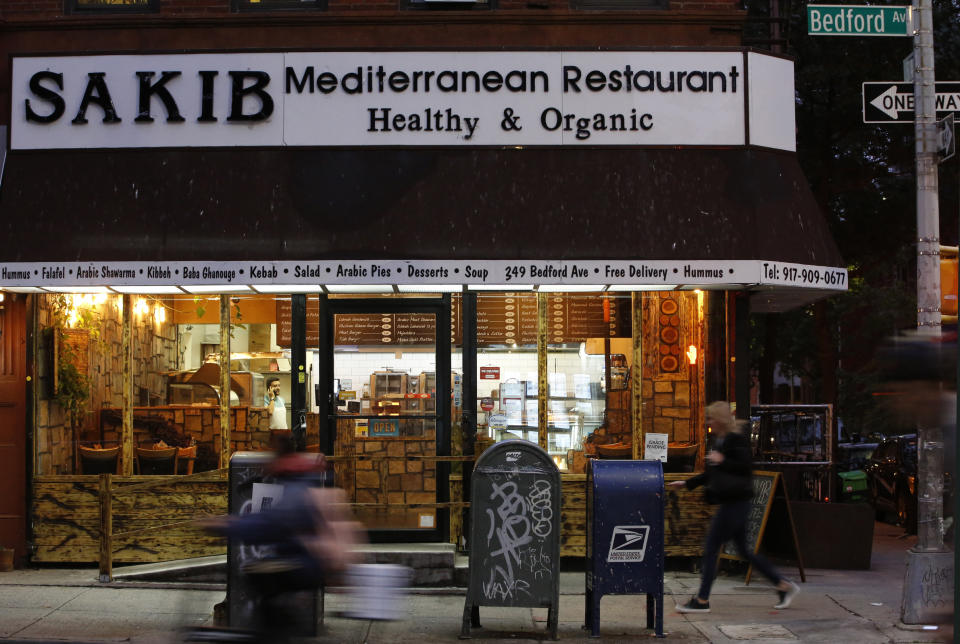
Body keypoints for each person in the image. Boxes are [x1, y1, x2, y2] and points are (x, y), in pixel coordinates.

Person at [668, 401, 799, 613]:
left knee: (711, 548)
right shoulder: (720, 440)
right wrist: (686, 484)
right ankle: (783, 584)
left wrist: (722, 460)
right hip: (734, 502)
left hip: (736, 502)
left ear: (719, 420)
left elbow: (745, 467)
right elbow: (713, 473)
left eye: (711, 418)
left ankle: (702, 601)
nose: (708, 422)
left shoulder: (735, 440)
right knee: (744, 551)